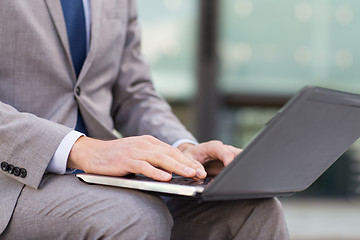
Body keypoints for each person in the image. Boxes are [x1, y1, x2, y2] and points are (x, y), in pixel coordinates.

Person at [0, 0, 289, 239]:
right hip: (12, 183)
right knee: (131, 217)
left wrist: (183, 152)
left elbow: (134, 94)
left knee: (254, 210)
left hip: (109, 182)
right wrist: (82, 149)